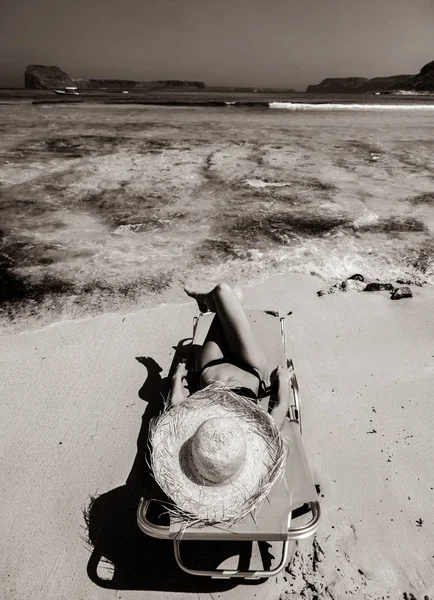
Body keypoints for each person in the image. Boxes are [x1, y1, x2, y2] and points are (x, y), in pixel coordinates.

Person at [168, 282, 292, 430]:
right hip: (250, 366)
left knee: (227, 292)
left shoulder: (196, 430)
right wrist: (283, 380)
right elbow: (280, 408)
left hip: (210, 364)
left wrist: (177, 377)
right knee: (229, 293)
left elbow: (176, 408)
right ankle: (205, 300)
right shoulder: (255, 431)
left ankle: (206, 300)